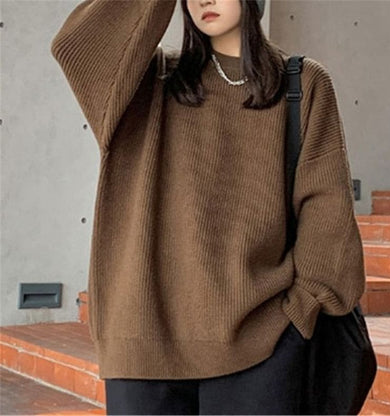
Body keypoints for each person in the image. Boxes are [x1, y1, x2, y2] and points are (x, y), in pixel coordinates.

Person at [50, 0, 366, 414]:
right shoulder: (143, 83)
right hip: (142, 352)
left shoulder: (303, 84)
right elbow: (76, 44)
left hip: (263, 348)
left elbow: (326, 215)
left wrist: (299, 315)